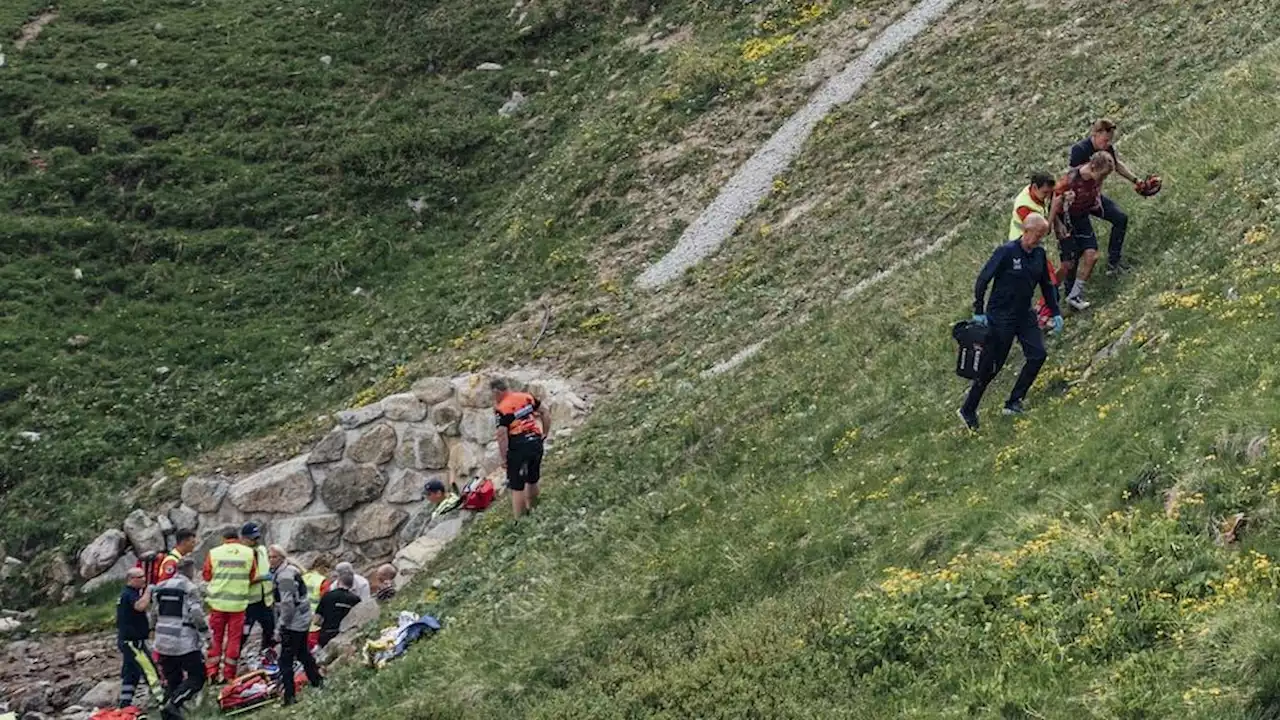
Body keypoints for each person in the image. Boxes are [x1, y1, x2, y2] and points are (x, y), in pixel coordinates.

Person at [959, 214, 1063, 430]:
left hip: (1024, 315)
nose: (1039, 240)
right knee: (993, 365)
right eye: (1037, 235)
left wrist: (1055, 311)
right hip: (1000, 316)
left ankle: (1014, 401)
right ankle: (968, 409)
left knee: (1038, 355)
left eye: (1043, 236)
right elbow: (983, 280)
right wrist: (979, 310)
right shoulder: (1006, 252)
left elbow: (1046, 284)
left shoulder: (1039, 255)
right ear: (1026, 231)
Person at [1068, 118, 1145, 274]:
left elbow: (1116, 165)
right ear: (1095, 134)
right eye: (1105, 140)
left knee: (1120, 218)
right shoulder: (1080, 149)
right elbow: (1072, 178)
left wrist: (1136, 180)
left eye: (1110, 140)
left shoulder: (1107, 148)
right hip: (1076, 202)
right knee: (1077, 247)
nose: (1107, 144)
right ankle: (1073, 282)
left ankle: (1113, 263)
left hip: (1094, 198)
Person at [1049, 151, 1115, 310]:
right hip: (1066, 220)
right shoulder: (1070, 180)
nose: (1102, 179)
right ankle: (1049, 298)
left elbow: (1096, 189)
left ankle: (1075, 295)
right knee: (1069, 263)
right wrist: (1057, 224)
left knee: (1092, 256)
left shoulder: (1096, 178)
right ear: (1092, 167)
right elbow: (1053, 200)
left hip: (1082, 217)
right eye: (1102, 175)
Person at [267, 545, 323, 706]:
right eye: (269, 557)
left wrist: (281, 627)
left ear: (282, 558)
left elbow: (287, 604)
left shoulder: (284, 576)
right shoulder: (289, 571)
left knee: (285, 660)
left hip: (294, 622)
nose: (271, 560)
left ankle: (289, 696)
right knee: (303, 653)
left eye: (274, 557)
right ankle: (317, 681)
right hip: (302, 619)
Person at [152, 556, 207, 720]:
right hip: (183, 641)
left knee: (173, 680)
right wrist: (205, 634)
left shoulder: (160, 587)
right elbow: (196, 614)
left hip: (162, 641)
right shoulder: (189, 588)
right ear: (190, 570)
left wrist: (152, 630)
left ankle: (169, 715)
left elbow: (154, 613)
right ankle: (173, 705)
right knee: (197, 677)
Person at [202, 527, 258, 682]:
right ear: (238, 538)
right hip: (238, 605)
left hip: (218, 604)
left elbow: (206, 576)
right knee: (234, 639)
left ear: (224, 539)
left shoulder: (214, 553)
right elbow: (253, 576)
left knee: (216, 638)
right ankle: (229, 674)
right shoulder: (248, 553)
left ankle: (212, 672)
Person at [492, 378, 551, 518]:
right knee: (532, 478)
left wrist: (504, 457)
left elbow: (502, 434)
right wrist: (545, 432)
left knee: (517, 486)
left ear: (497, 392)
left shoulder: (502, 408)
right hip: (535, 441)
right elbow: (545, 411)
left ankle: (521, 520)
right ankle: (536, 510)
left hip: (518, 446)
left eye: (492, 395)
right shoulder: (526, 397)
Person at [116, 567, 157, 709]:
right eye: (140, 577)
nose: (144, 580)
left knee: (131, 674)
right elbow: (140, 606)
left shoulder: (129, 593)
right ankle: (161, 700)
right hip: (133, 643)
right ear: (131, 579)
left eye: (144, 576)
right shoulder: (128, 594)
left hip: (130, 640)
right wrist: (149, 591)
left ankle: (124, 704)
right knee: (150, 670)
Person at [238, 522, 276, 661]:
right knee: (243, 633)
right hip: (248, 603)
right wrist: (261, 578)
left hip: (264, 600)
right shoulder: (241, 555)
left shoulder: (261, 550)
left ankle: (266, 655)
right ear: (243, 538)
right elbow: (243, 578)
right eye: (252, 538)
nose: (255, 541)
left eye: (256, 538)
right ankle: (233, 659)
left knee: (270, 629)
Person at [314, 569, 361, 648]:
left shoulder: (328, 596)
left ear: (338, 581)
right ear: (352, 584)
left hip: (326, 635)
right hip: (346, 637)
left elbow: (316, 620)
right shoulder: (356, 600)